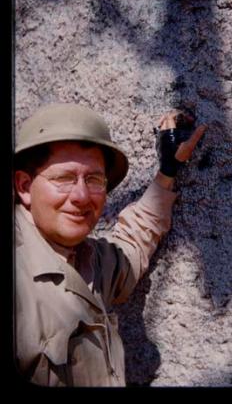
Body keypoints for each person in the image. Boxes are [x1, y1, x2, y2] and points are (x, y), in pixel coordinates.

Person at [13, 102, 207, 386]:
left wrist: (168, 169)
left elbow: (132, 242)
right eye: (64, 178)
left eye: (93, 179)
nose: (81, 196)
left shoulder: (87, 260)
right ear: (25, 187)